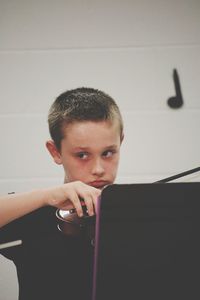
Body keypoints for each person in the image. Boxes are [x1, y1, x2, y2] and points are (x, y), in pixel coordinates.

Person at [0, 87, 124, 300]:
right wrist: (46, 196)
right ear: (55, 151)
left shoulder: (139, 218)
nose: (98, 169)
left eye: (108, 153)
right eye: (82, 154)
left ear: (121, 142)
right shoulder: (33, 216)